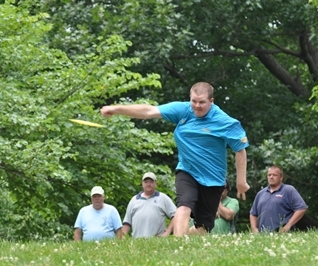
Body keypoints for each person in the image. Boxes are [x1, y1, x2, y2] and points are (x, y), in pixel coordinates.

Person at [101, 82, 249, 236]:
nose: (197, 106)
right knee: (184, 206)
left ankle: (183, 238)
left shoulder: (225, 122)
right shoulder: (183, 110)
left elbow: (240, 150)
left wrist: (241, 181)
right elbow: (149, 111)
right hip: (187, 170)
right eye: (194, 101)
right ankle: (179, 246)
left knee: (203, 228)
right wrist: (115, 109)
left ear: (212, 101)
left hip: (213, 179)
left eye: (202, 102)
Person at [249, 165, 307, 233]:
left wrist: (288, 225)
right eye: (269, 175)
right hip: (263, 235)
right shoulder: (260, 194)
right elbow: (253, 213)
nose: (271, 177)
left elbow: (301, 208)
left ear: (281, 177)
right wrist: (254, 228)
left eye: (274, 175)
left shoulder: (288, 190)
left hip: (282, 234)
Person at [122, 172, 177, 238]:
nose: (148, 184)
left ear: (155, 183)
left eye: (151, 182)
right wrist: (122, 238)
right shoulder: (134, 200)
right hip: (136, 242)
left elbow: (176, 215)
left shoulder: (163, 198)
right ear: (142, 183)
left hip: (157, 241)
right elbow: (127, 222)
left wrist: (167, 232)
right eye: (146, 182)